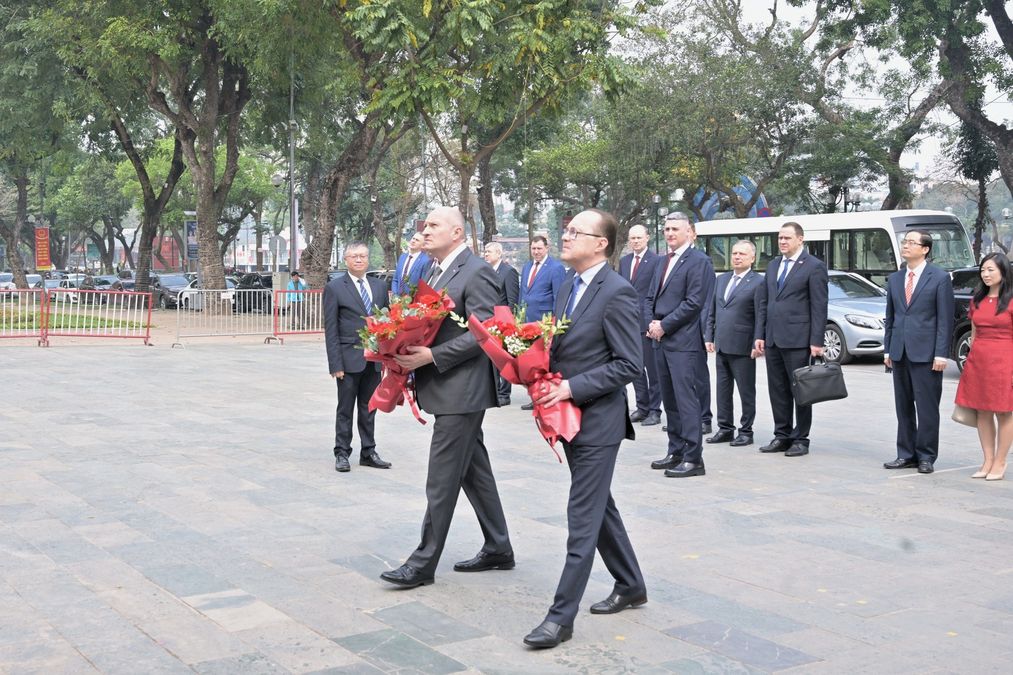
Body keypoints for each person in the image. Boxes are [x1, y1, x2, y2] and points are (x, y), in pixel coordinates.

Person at [524, 208, 644, 649]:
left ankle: (560, 619)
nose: (567, 235)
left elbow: (629, 364)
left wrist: (572, 387)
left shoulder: (618, 292)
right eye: (567, 229)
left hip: (599, 423)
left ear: (601, 244)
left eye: (576, 231)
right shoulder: (567, 286)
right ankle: (631, 584)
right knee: (598, 506)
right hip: (570, 420)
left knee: (582, 516)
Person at [381, 206, 513, 588]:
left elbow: (486, 331)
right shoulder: (432, 270)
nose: (426, 230)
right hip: (445, 387)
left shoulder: (477, 271)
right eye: (425, 225)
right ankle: (499, 547)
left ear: (457, 233)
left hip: (463, 391)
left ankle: (422, 563)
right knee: (475, 472)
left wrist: (433, 356)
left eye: (434, 225)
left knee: (441, 479)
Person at [647, 213, 715, 478]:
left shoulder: (699, 261)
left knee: (686, 401)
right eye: (666, 229)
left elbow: (694, 302)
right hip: (660, 340)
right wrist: (650, 323)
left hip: (683, 341)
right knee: (670, 400)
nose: (670, 233)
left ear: (690, 232)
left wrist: (665, 325)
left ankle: (693, 458)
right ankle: (675, 451)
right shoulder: (662, 261)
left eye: (675, 228)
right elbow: (649, 298)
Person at [882, 231, 954, 475]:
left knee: (926, 408)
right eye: (905, 242)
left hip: (927, 354)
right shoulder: (895, 278)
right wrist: (888, 349)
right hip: (899, 352)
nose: (906, 245)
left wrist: (941, 354)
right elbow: (891, 317)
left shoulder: (939, 278)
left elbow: (944, 319)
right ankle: (906, 454)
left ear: (925, 249)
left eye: (912, 242)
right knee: (903, 406)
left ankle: (926, 455)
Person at [754, 222, 828, 457]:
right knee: (777, 390)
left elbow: (819, 305)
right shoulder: (773, 265)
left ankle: (801, 438)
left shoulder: (814, 266)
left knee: (801, 391)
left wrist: (816, 341)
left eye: (787, 238)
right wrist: (760, 334)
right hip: (773, 338)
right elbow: (765, 302)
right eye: (780, 238)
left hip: (799, 339)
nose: (782, 242)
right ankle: (782, 435)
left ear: (800, 239)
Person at [323, 245, 392, 473]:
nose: (359, 260)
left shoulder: (379, 286)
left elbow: (387, 321)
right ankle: (342, 452)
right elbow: (331, 328)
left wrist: (388, 354)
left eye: (363, 256)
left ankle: (368, 451)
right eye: (354, 256)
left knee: (369, 407)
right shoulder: (334, 288)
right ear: (346, 260)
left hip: (374, 359)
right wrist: (335, 363)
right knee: (345, 409)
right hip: (348, 359)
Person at [955, 253, 1013, 481]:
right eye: (983, 270)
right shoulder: (977, 300)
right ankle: (987, 460)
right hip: (979, 361)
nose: (985, 274)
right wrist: (970, 362)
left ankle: (1000, 461)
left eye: (991, 270)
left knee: (1004, 412)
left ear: (1003, 272)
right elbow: (975, 334)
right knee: (982, 411)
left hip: (1005, 361)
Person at [704, 240, 763, 447]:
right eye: (734, 253)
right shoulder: (722, 279)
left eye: (742, 254)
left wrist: (757, 341)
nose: (737, 257)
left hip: (743, 345)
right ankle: (725, 428)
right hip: (721, 344)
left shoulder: (758, 282)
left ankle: (746, 431)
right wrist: (709, 336)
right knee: (722, 390)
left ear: (752, 258)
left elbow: (760, 315)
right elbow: (712, 310)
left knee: (746, 391)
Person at [618, 225, 663, 426]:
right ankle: (642, 407)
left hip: (647, 323)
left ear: (647, 238)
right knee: (635, 368)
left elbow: (657, 293)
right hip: (628, 323)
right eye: (632, 238)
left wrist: (654, 320)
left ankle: (655, 410)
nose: (635, 241)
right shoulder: (624, 262)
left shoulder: (657, 261)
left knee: (652, 370)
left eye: (639, 237)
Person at [519, 235, 566, 410]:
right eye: (533, 248)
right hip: (527, 323)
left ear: (547, 248)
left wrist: (554, 322)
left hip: (545, 323)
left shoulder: (556, 268)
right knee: (531, 362)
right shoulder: (527, 267)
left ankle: (547, 396)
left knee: (545, 362)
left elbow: (559, 297)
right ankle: (535, 396)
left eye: (539, 248)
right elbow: (523, 294)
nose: (536, 252)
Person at [483, 241, 520, 406]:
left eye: (489, 251)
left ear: (499, 253)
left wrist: (509, 322)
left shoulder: (508, 271)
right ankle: (495, 390)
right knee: (492, 357)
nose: (486, 254)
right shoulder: (486, 270)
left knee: (504, 358)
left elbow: (512, 300)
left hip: (503, 320)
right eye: (485, 251)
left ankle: (505, 393)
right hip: (489, 320)